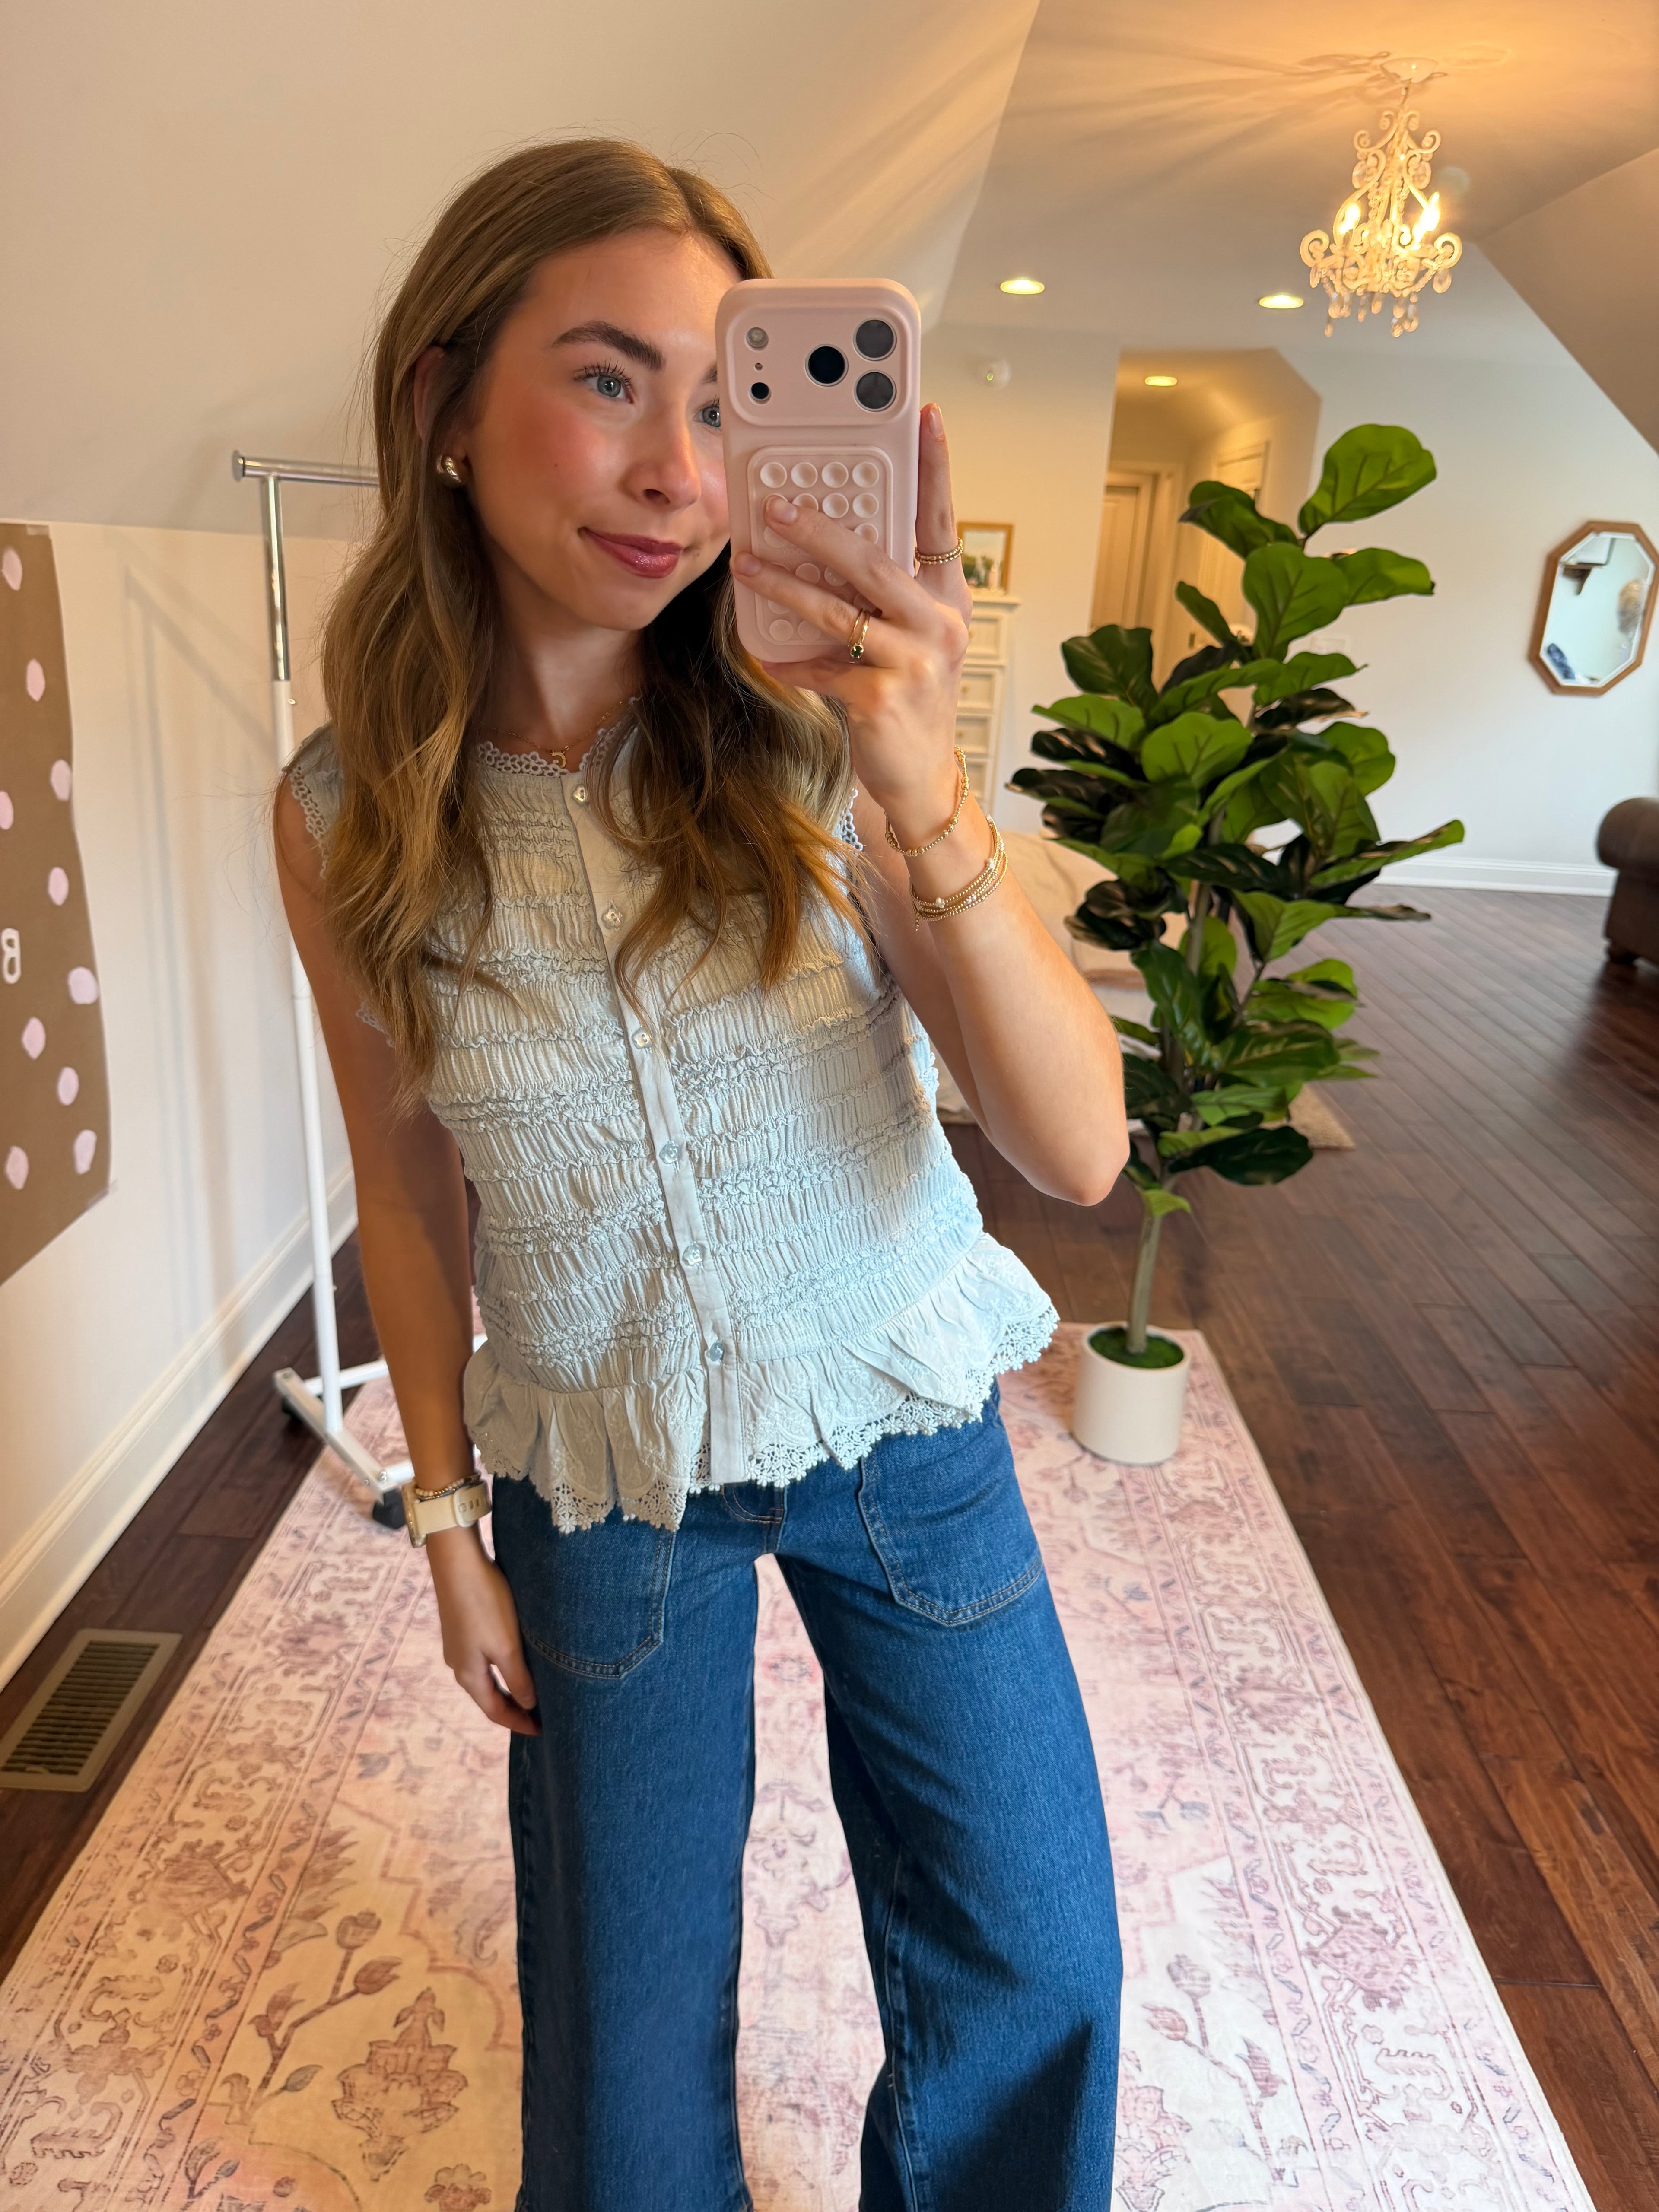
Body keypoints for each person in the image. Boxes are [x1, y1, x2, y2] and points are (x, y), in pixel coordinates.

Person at [274, 137, 1128, 2212]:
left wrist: (923, 781)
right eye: (606, 379)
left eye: (722, 395)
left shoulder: (818, 729)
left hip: (902, 1420)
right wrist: (451, 1518)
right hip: (603, 1472)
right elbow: (405, 1185)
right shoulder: (343, 812)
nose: (681, 466)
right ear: (443, 406)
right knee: (627, 2021)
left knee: (1036, 1951)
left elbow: (1081, 1145)